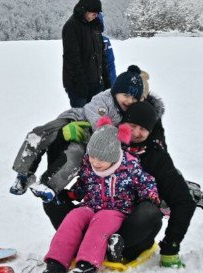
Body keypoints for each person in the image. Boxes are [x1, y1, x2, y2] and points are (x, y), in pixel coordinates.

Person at [42, 99, 194, 268]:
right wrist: (62, 138)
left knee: (149, 211)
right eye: (132, 125)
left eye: (143, 129)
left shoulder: (156, 157)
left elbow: (184, 201)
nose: (136, 132)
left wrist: (170, 246)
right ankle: (76, 244)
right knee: (52, 201)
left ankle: (113, 245)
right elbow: (78, 172)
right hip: (95, 213)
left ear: (150, 132)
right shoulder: (104, 142)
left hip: (129, 231)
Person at [41, 118, 159, 273]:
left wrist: (150, 196)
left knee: (102, 221)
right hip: (90, 206)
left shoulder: (130, 167)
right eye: (92, 157)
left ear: (113, 156)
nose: (95, 162)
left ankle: (87, 263)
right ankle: (55, 263)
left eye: (100, 159)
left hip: (116, 211)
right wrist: (72, 194)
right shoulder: (89, 166)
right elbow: (83, 184)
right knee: (73, 217)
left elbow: (147, 183)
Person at [11, 64, 154, 200]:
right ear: (116, 91)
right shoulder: (105, 100)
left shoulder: (133, 113)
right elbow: (99, 123)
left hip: (90, 142)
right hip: (74, 120)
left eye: (134, 98)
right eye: (126, 95)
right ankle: (24, 172)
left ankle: (49, 186)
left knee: (74, 156)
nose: (129, 100)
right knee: (40, 133)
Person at [62, 0, 108, 107]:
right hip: (78, 86)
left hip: (96, 84)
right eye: (94, 12)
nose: (96, 15)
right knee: (81, 121)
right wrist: (81, 85)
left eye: (98, 13)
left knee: (96, 120)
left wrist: (106, 80)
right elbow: (72, 59)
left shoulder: (95, 26)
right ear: (84, 10)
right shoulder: (71, 27)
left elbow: (101, 55)